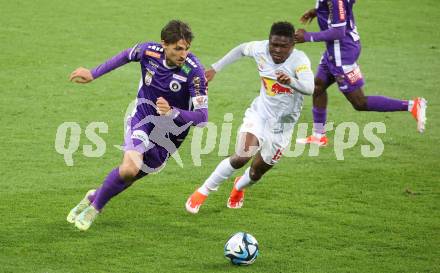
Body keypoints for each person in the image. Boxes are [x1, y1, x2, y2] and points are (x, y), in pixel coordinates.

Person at [67, 20, 208, 230]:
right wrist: (93, 73)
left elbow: (202, 117)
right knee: (129, 168)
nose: (183, 54)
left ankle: (95, 195)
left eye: (186, 49)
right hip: (142, 117)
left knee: (130, 175)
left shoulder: (194, 71)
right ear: (164, 44)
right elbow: (125, 55)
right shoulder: (149, 52)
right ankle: (94, 209)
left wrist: (173, 113)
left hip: (169, 135)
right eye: (178, 48)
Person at [185, 22, 314, 214]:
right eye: (274, 44)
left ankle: (239, 187)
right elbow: (240, 49)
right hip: (260, 114)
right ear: (269, 41)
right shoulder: (260, 49)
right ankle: (202, 191)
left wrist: (291, 81)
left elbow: (310, 88)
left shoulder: (299, 61)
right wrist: (215, 68)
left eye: (283, 46)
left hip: (282, 127)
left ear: (292, 45)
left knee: (256, 172)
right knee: (242, 155)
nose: (277, 50)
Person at [294, 0, 427, 147]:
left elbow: (339, 31)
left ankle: (412, 105)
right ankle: (319, 136)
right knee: (318, 87)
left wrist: (308, 37)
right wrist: (318, 11)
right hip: (334, 51)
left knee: (359, 102)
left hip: (342, 54)